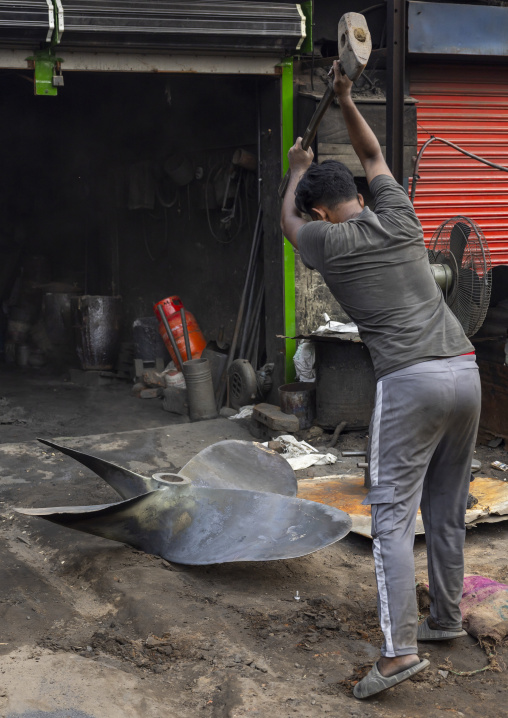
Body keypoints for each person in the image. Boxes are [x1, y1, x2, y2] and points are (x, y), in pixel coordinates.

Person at [280, 60, 481, 700]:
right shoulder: (398, 212)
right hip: (464, 370)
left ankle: (398, 656)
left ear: (322, 210)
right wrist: (344, 99)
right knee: (446, 510)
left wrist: (291, 172)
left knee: (391, 520)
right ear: (360, 197)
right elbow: (371, 151)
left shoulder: (326, 242)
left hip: (412, 381)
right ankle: (445, 619)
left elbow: (288, 225)